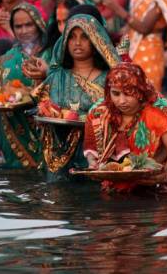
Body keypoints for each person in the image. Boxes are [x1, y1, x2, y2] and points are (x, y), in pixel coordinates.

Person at [33, 12, 120, 178]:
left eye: (84, 37)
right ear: (65, 41)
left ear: (95, 40)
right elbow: (43, 109)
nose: (77, 43)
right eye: (72, 37)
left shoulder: (111, 79)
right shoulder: (57, 77)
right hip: (59, 154)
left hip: (100, 156)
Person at [84, 62, 167, 193]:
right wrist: (93, 163)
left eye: (129, 93)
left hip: (157, 184)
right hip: (114, 186)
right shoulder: (98, 113)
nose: (122, 101)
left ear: (140, 91)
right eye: (116, 93)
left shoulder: (161, 111)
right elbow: (92, 150)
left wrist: (166, 175)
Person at [0, 2, 51, 169]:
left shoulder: (51, 54)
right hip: (14, 127)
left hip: (45, 125)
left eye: (29, 25)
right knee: (16, 182)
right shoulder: (7, 58)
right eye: (18, 26)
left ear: (39, 24)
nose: (24, 30)